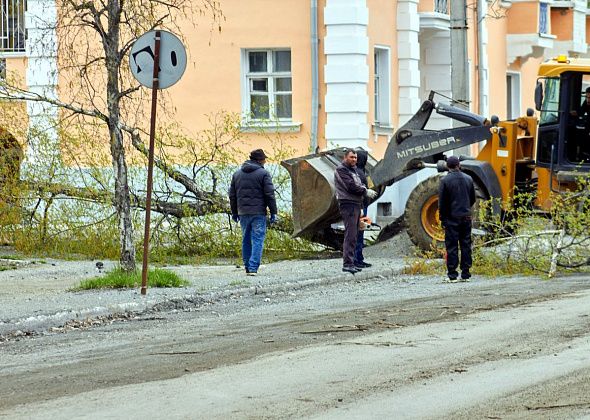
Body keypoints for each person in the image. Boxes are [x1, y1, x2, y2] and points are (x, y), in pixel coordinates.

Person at [229, 149, 277, 276]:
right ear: (259, 160)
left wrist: (234, 212)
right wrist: (273, 212)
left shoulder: (237, 174)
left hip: (243, 213)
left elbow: (232, 196)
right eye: (264, 159)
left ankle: (247, 266)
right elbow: (269, 194)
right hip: (258, 213)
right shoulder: (264, 174)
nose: (265, 161)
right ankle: (253, 267)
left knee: (245, 239)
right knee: (257, 239)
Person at [334, 149, 378, 274]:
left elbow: (359, 184)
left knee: (354, 236)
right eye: (351, 157)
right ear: (345, 157)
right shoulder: (341, 170)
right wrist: (365, 191)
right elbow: (351, 186)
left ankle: (353, 262)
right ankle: (348, 263)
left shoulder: (353, 170)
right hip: (348, 205)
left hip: (356, 204)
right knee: (350, 234)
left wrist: (362, 194)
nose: (354, 159)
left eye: (355, 158)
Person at [438, 155, 476, 282]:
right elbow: (472, 199)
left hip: (451, 218)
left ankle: (452, 275)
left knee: (452, 246)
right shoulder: (469, 179)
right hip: (466, 217)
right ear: (458, 165)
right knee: (466, 245)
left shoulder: (445, 181)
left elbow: (442, 203)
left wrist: (443, 218)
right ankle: (466, 274)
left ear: (448, 166)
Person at [354, 148, 372, 269]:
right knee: (358, 234)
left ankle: (359, 258)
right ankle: (356, 260)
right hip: (359, 208)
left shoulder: (359, 172)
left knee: (360, 233)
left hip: (361, 207)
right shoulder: (358, 173)